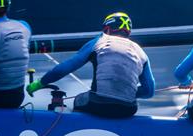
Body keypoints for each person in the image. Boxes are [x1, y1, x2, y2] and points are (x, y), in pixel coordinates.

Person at [26, 12, 155, 118]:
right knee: (118, 104)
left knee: (78, 99)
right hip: (128, 109)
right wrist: (127, 92)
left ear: (107, 29)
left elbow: (65, 68)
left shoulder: (100, 41)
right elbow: (149, 91)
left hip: (98, 103)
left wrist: (39, 83)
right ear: (128, 32)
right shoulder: (141, 52)